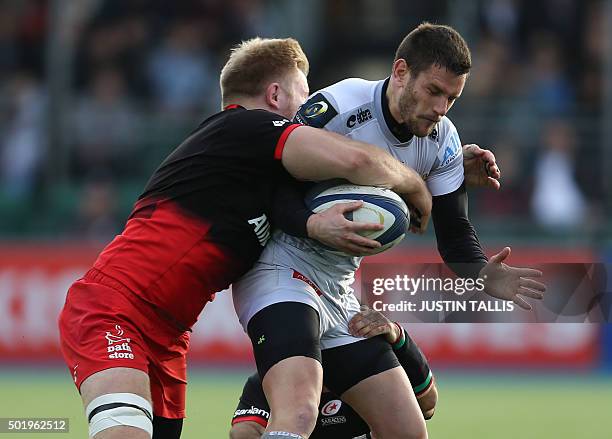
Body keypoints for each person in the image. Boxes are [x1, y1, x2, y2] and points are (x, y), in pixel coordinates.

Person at [57, 37, 434, 439]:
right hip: (116, 309)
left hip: (168, 336)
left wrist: (454, 167)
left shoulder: (250, 167)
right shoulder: (246, 126)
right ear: (275, 94)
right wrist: (416, 186)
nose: (307, 112)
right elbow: (357, 159)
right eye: (302, 96)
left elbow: (308, 193)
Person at [231, 23, 546, 439]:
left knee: (408, 430)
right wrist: (312, 223)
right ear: (400, 72)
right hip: (280, 269)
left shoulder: (444, 140)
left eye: (452, 97)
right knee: (299, 414)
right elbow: (268, 189)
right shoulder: (339, 107)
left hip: (339, 289)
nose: (442, 108)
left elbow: (453, 235)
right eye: (434, 91)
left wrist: (483, 273)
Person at [230, 307, 437, 439]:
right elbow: (244, 432)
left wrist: (399, 337)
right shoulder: (273, 380)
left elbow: (427, 406)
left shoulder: (370, 360)